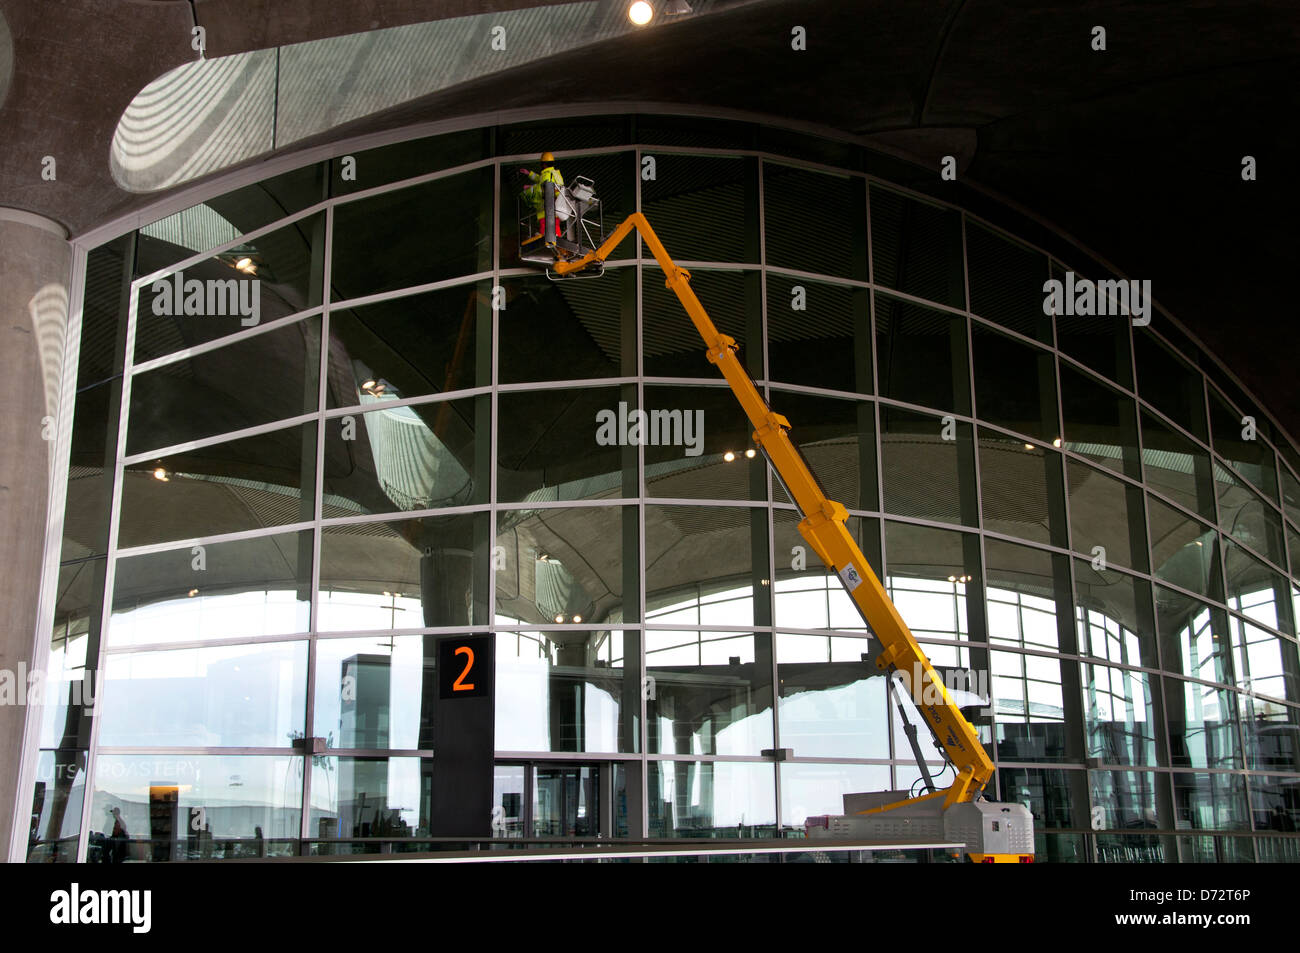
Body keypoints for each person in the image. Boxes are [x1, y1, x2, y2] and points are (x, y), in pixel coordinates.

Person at [518, 152, 565, 241]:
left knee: (546, 225)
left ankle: (548, 240)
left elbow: (546, 187)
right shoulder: (553, 173)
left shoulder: (548, 174)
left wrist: (529, 187)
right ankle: (556, 239)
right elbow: (540, 179)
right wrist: (529, 173)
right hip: (555, 206)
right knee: (554, 225)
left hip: (548, 206)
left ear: (543, 164)